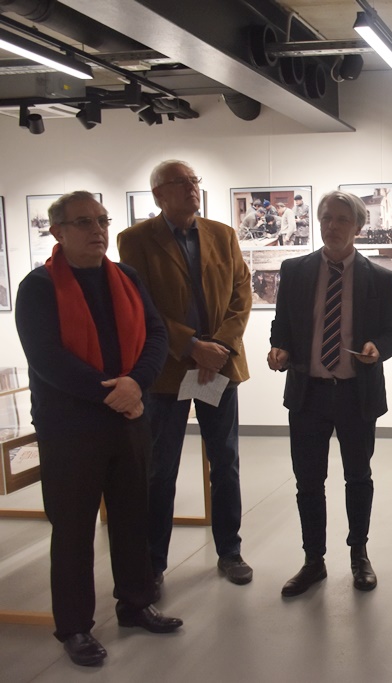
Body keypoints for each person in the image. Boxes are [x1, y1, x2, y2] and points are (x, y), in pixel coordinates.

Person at [15, 191, 182, 667]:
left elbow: (156, 334)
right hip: (71, 428)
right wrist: (115, 392)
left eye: (103, 220)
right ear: (58, 231)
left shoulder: (125, 277)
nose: (98, 230)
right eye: (84, 222)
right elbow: (46, 358)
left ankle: (135, 602)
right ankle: (74, 626)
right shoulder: (38, 287)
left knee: (132, 516)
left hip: (128, 420)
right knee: (73, 529)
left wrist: (137, 383)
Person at [117, 160, 255, 588]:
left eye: (194, 181)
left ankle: (229, 551)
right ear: (158, 194)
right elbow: (141, 305)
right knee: (161, 469)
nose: (192, 188)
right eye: (181, 182)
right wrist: (191, 346)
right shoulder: (136, 240)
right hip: (167, 370)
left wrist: (220, 347)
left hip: (219, 367)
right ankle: (154, 563)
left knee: (225, 462)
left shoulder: (222, 234)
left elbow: (242, 293)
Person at [268, 191, 392, 595]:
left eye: (343, 219)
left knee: (358, 477)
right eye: (327, 217)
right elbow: (282, 326)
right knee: (308, 481)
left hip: (355, 393)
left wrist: (377, 348)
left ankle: (359, 554)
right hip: (307, 393)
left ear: (358, 226)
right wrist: (279, 349)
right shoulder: (295, 271)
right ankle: (313, 560)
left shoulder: (380, 278)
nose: (333, 225)